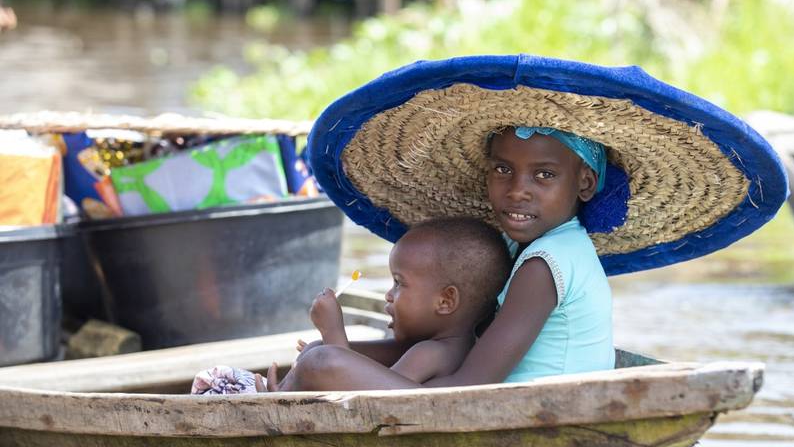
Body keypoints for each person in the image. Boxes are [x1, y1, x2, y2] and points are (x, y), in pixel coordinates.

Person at [265, 125, 614, 392]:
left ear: (584, 183)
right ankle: (280, 398)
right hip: (492, 397)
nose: (517, 189)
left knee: (323, 361)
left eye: (544, 175)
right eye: (503, 170)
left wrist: (336, 346)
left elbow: (473, 384)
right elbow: (451, 345)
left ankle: (275, 405)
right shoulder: (523, 245)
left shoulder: (544, 264)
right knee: (317, 353)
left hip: (528, 415)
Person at [193, 216, 511, 394]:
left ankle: (274, 397)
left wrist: (333, 330)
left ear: (445, 301)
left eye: (399, 283)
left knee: (322, 358)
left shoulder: (433, 352)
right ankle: (280, 391)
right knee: (316, 351)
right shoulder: (446, 345)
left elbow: (363, 399)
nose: (388, 295)